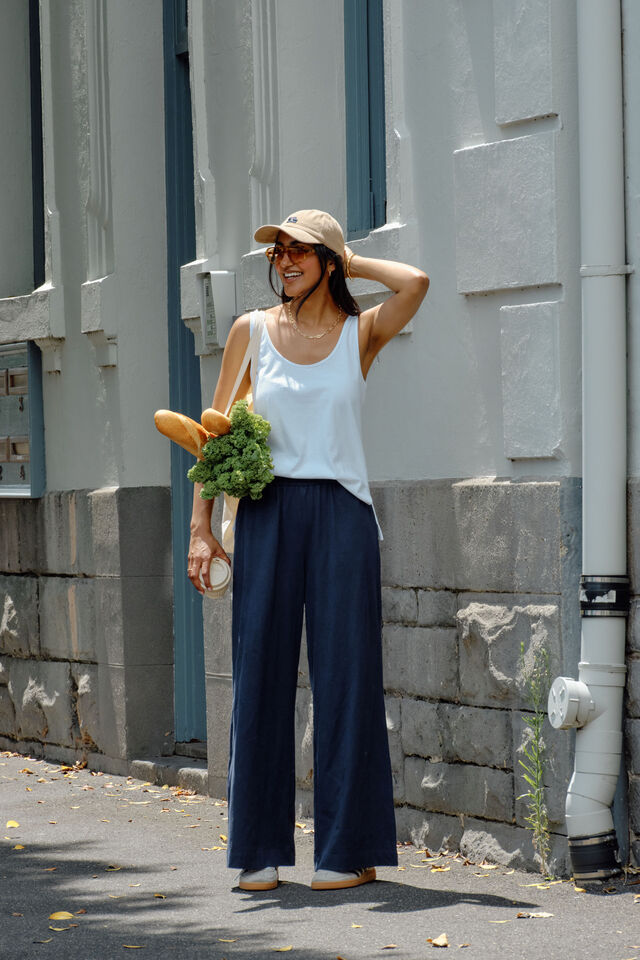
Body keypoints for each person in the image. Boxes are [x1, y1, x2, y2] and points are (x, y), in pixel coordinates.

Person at [188, 209, 429, 891]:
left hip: (343, 514)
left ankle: (343, 853)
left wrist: (352, 262)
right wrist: (202, 528)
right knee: (259, 675)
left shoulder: (361, 333)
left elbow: (415, 281)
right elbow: (211, 436)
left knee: (347, 681)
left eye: (301, 251)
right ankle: (257, 855)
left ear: (328, 260)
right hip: (265, 512)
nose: (286, 261)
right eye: (280, 252)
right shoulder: (251, 332)